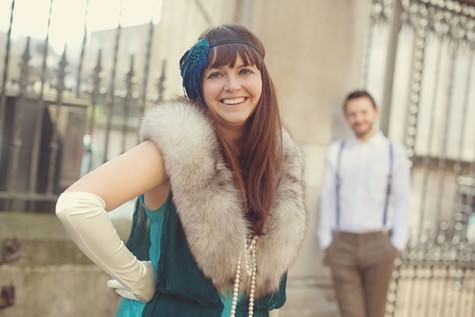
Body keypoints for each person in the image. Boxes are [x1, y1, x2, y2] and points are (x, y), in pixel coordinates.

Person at [55, 24, 307, 317]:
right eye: (216, 74)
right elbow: (76, 205)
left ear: (262, 80)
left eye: (245, 71)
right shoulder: (175, 150)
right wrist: (138, 279)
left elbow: (262, 282)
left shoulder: (275, 159)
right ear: (198, 85)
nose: (232, 85)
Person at [317, 90, 410, 317]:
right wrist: (326, 240)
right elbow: (328, 196)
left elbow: (402, 198)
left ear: (375, 112)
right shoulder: (337, 151)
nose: (359, 119)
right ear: (347, 117)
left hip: (379, 244)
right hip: (343, 245)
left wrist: (397, 241)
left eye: (363, 112)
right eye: (352, 114)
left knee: (375, 313)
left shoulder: (393, 152)